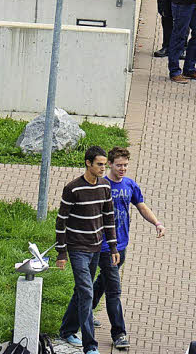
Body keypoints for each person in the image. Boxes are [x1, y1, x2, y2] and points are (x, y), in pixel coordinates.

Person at [91, 147, 163, 351]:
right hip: (104, 246)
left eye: (125, 165)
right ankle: (119, 333)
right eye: (119, 165)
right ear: (110, 165)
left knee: (103, 281)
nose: (122, 169)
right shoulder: (102, 185)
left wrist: (157, 223)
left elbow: (141, 205)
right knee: (114, 289)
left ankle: (84, 312)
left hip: (121, 244)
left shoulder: (130, 185)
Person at [55, 146, 118, 354]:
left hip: (97, 248)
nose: (103, 168)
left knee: (81, 292)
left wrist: (113, 246)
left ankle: (66, 330)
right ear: (88, 163)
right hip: (77, 249)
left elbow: (109, 218)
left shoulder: (105, 187)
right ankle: (90, 345)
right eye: (99, 164)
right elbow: (61, 222)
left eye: (104, 164)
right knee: (87, 293)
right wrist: (61, 253)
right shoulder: (73, 188)